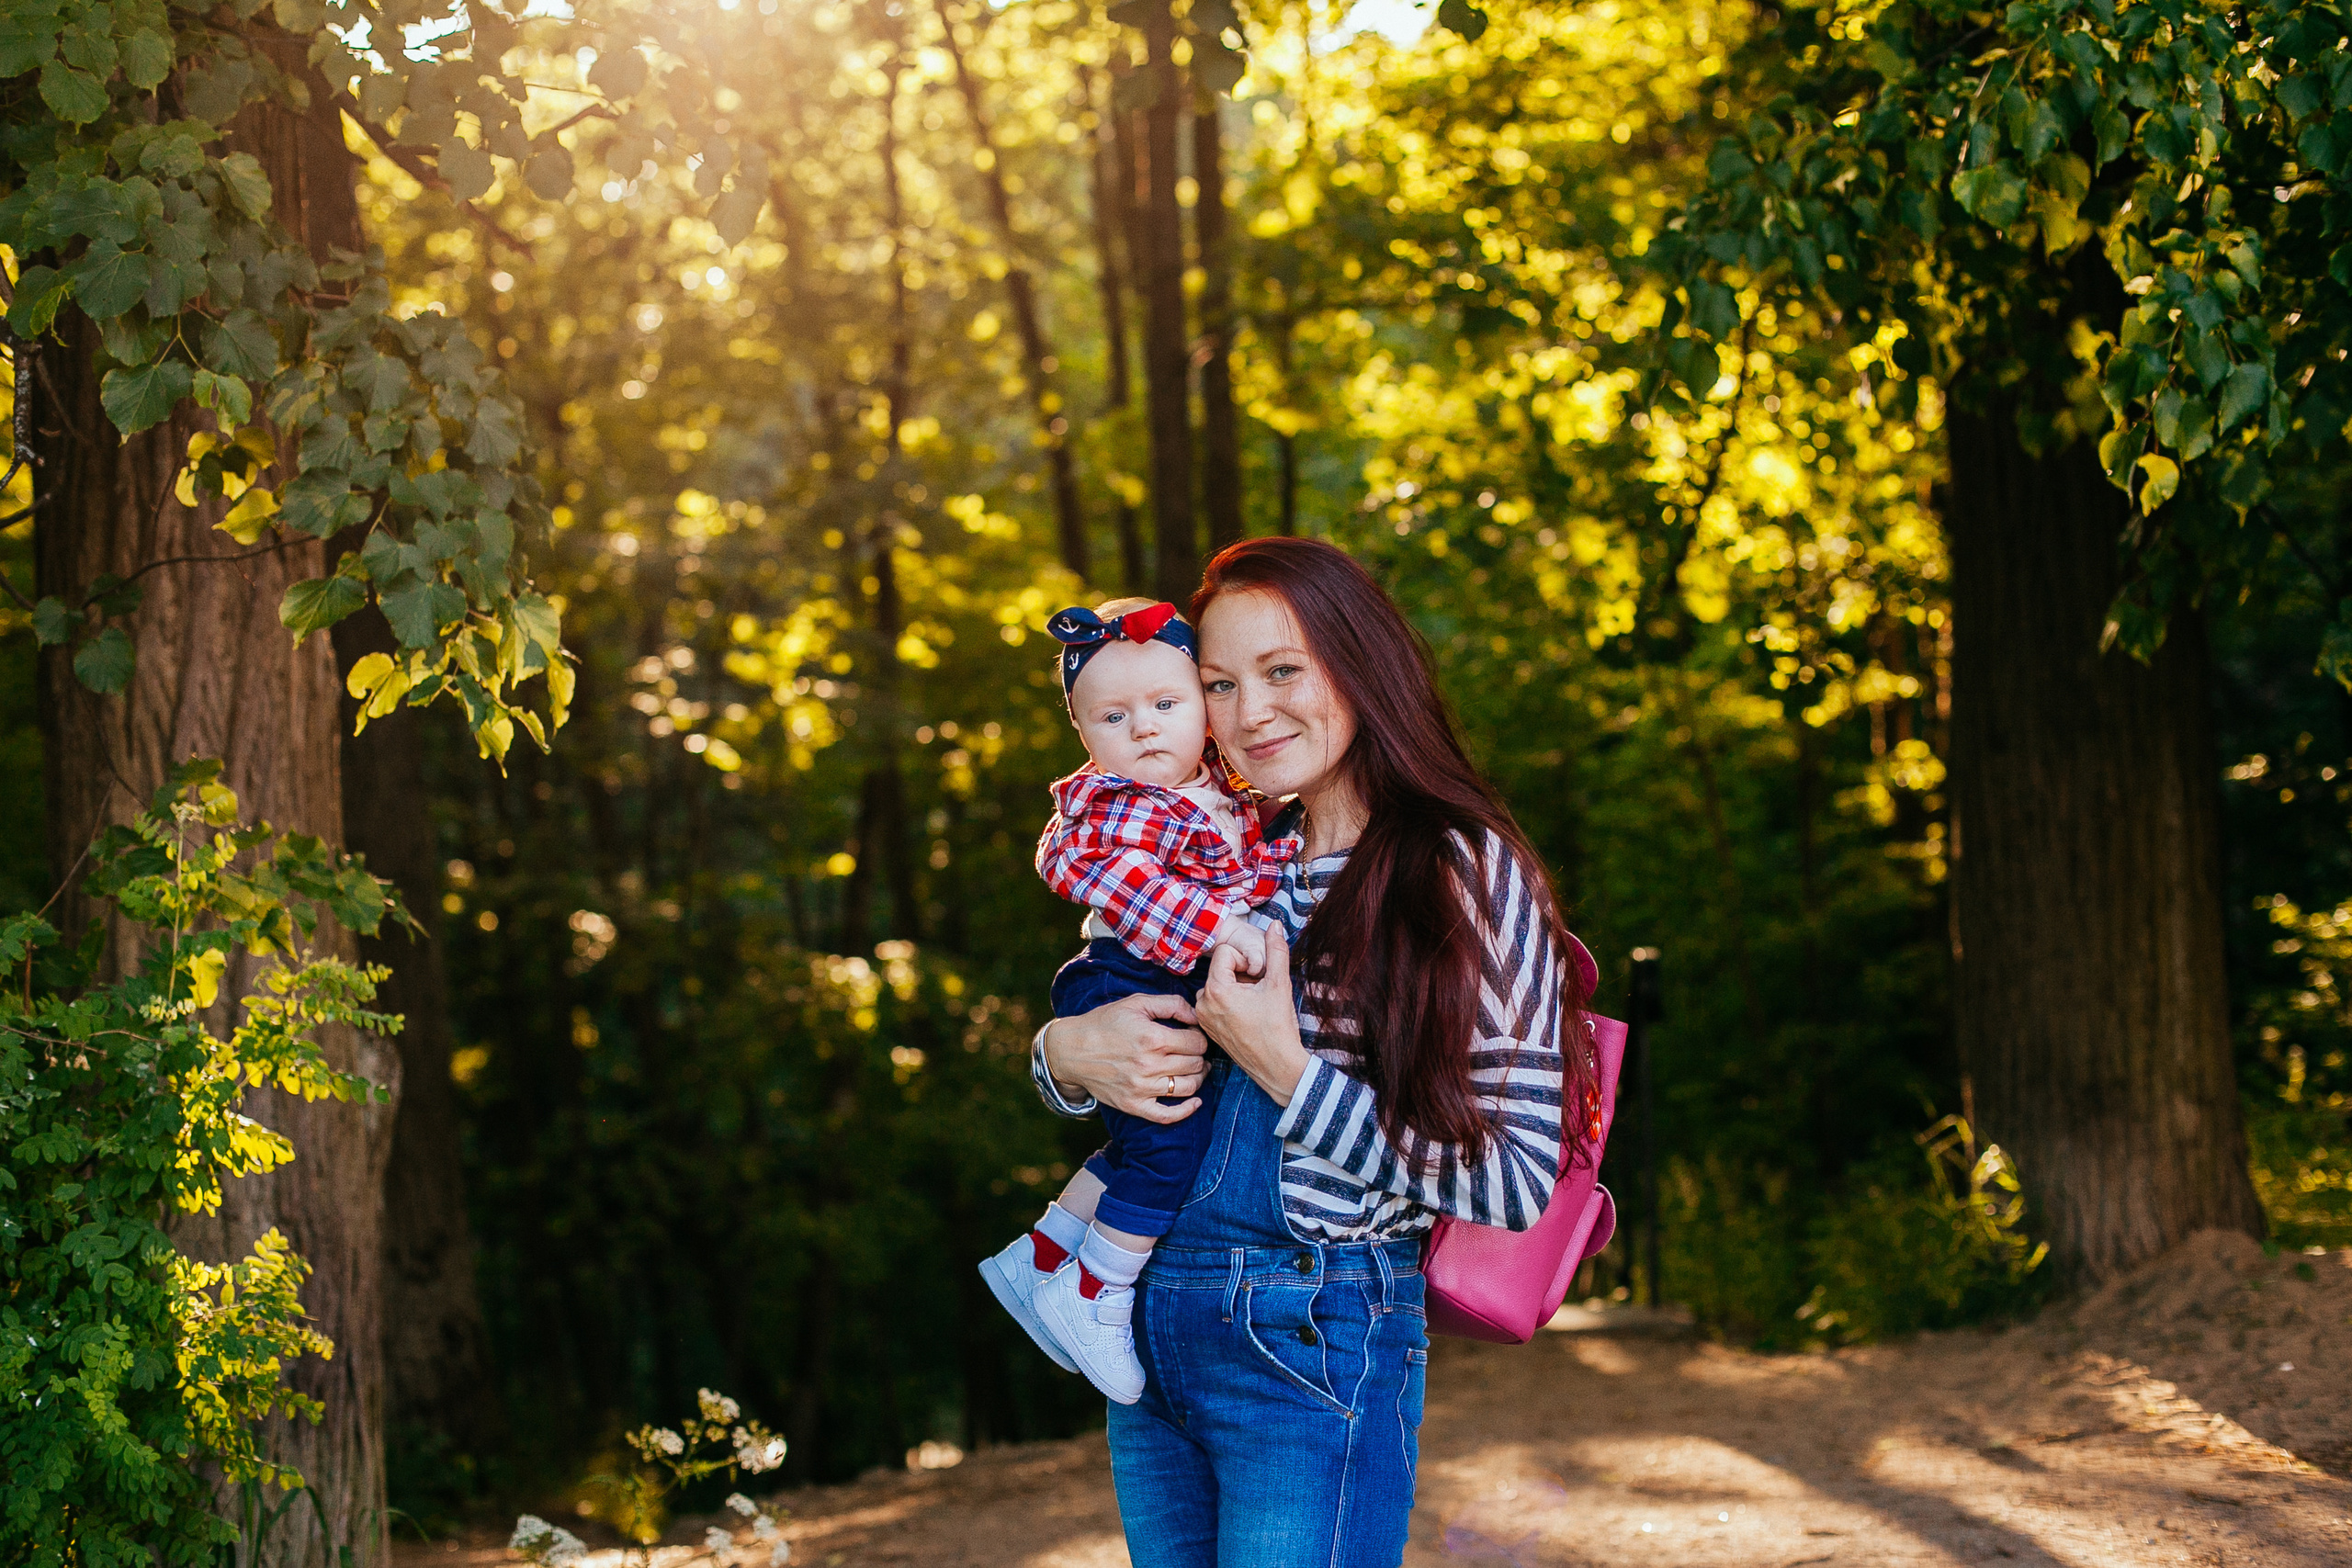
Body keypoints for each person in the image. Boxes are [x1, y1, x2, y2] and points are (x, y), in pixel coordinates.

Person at [1031, 538, 1598, 1568]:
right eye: (1218, 684)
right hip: (1148, 1330)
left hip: (1310, 1333)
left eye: (1283, 670)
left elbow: (1512, 1181)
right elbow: (1130, 1072)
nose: (1250, 713)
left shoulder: (1459, 870)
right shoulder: (1217, 855)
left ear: (1360, 664)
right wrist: (1064, 1053)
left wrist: (1287, 1071)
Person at [979, 596, 1301, 1404]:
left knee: (1144, 1137)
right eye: (1114, 716)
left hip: (1158, 976)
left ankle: (1048, 1250)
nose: (1147, 728)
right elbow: (1132, 888)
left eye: (1166, 704)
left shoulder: (1211, 787)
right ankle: (1097, 1291)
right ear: (1084, 735)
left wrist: (1276, 856)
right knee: (1167, 1138)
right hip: (1125, 973)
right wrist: (1231, 929)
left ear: (1201, 706)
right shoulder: (1112, 804)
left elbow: (1237, 869)